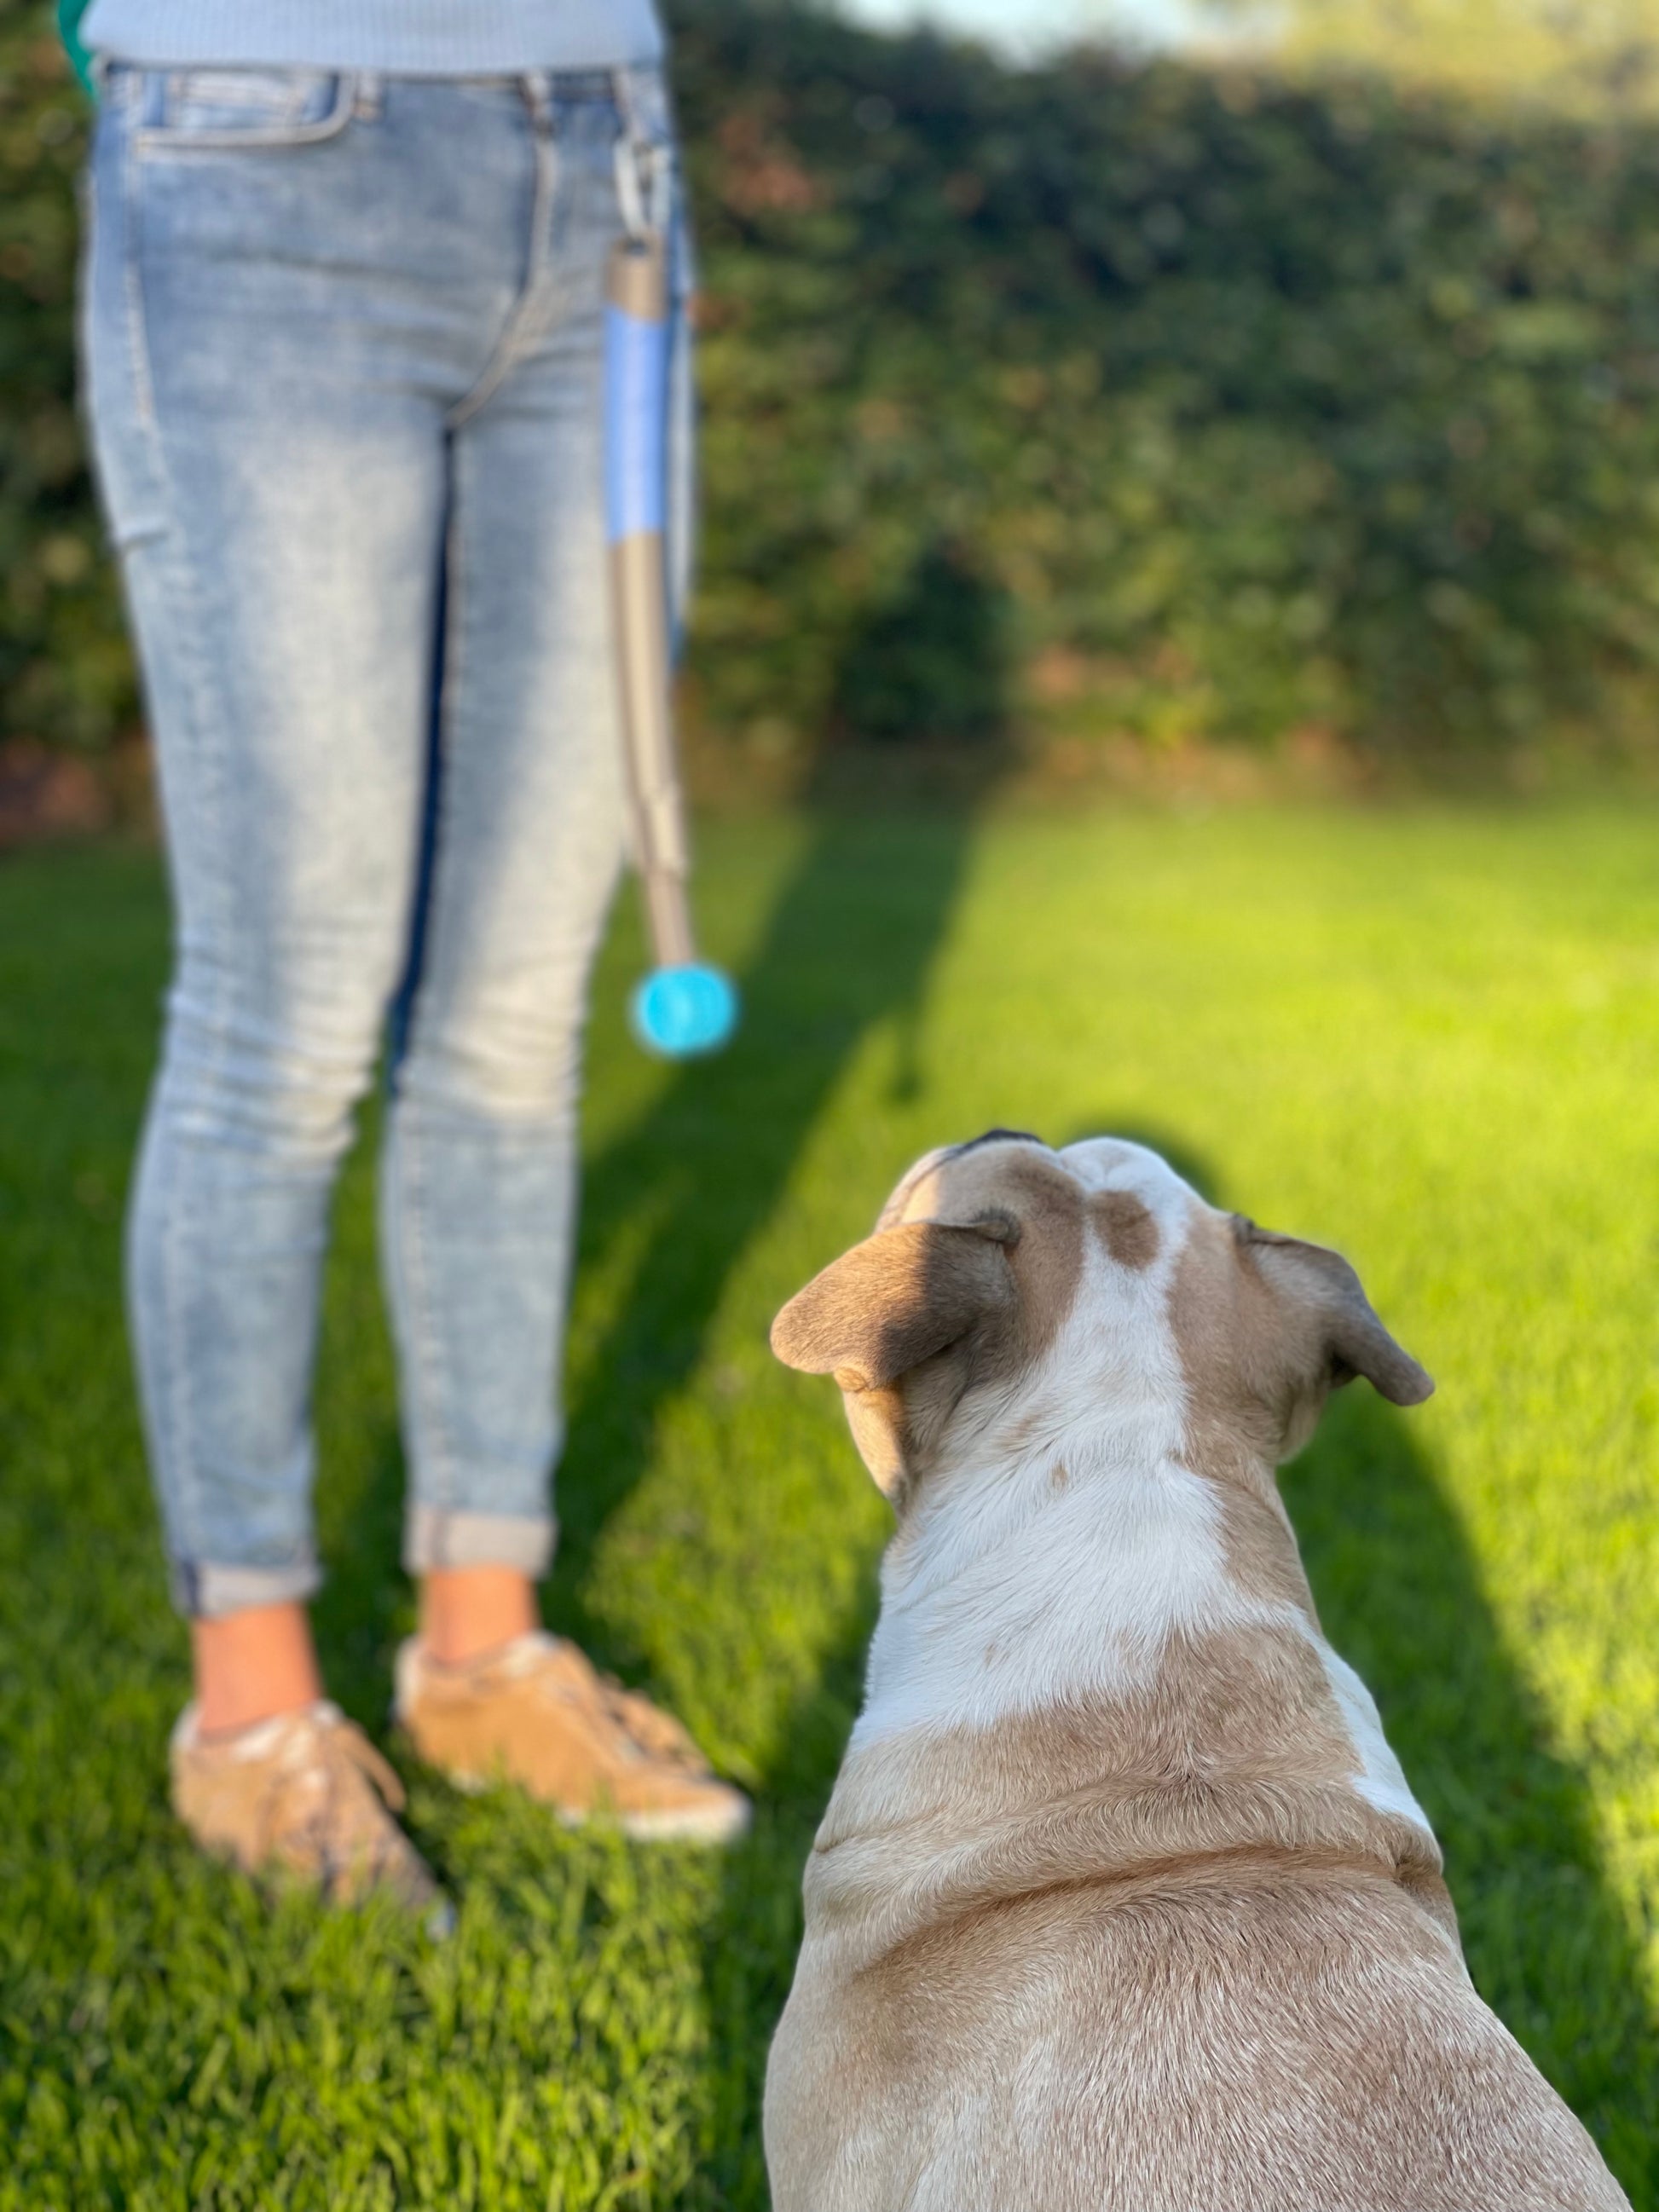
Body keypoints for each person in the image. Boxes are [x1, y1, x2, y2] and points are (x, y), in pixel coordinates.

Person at [76, 0, 749, 1915]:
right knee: (282, 1019)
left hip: (599, 149)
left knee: (515, 1017)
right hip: (256, 142)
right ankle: (250, 1717)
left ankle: (478, 1645)